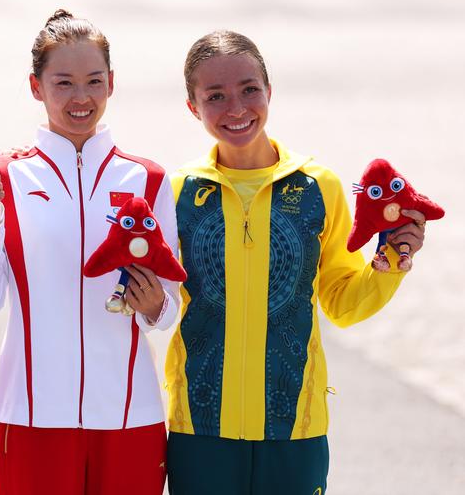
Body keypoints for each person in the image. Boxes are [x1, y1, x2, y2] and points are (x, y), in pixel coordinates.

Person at [164, 30, 428, 494]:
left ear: (269, 91)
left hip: (295, 427)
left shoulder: (316, 188)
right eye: (215, 96)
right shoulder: (178, 193)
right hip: (198, 426)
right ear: (192, 106)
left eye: (249, 89)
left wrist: (389, 261)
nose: (237, 108)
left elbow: (343, 303)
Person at [0, 9, 181, 495]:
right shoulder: (4, 176)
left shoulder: (149, 179)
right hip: (32, 414)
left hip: (128, 413)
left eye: (93, 81)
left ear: (112, 83)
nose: (81, 98)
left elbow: (169, 310)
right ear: (36, 87)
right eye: (63, 83)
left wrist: (154, 306)